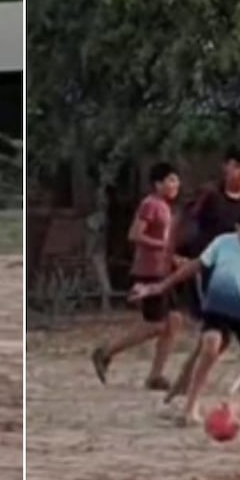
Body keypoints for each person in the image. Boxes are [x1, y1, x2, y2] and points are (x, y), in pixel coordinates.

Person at [133, 208, 240, 431]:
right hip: (218, 310)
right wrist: (161, 286)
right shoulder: (223, 243)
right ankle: (190, 408)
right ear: (238, 229)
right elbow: (194, 266)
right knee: (210, 345)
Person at [164, 144, 240, 402]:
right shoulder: (209, 194)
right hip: (207, 267)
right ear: (226, 167)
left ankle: (182, 384)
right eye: (238, 166)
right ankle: (185, 394)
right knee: (215, 335)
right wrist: (173, 252)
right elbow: (182, 221)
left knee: (219, 339)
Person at [90, 162, 185, 390]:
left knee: (174, 322)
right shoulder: (150, 204)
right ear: (157, 184)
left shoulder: (165, 207)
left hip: (164, 271)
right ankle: (106, 352)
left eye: (176, 180)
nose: (175, 185)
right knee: (155, 325)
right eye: (170, 180)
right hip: (149, 272)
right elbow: (135, 234)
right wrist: (163, 246)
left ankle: (156, 375)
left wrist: (175, 258)